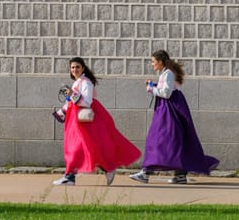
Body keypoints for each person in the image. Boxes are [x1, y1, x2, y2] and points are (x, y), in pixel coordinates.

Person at [129, 49, 219, 184]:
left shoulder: (168, 73)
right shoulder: (166, 73)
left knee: (157, 139)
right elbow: (167, 89)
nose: (152, 64)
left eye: (153, 62)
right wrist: (153, 85)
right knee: (173, 141)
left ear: (160, 62)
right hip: (167, 109)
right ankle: (180, 175)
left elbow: (166, 93)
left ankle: (146, 172)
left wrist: (151, 89)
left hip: (169, 111)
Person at [53, 57, 140, 186]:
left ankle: (70, 176)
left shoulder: (86, 82)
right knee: (84, 148)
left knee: (77, 147)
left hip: (84, 121)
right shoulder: (78, 82)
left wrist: (72, 94)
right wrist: (62, 111)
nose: (74, 70)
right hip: (75, 119)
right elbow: (71, 102)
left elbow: (87, 102)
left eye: (77, 67)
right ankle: (105, 169)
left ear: (83, 68)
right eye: (72, 68)